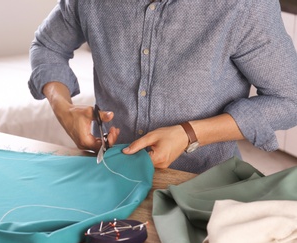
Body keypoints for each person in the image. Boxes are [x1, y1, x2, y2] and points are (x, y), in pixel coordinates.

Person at [28, 0, 297, 174]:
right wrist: (64, 109)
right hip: (109, 173)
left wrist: (189, 134)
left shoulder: (243, 6)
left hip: (201, 184)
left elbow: (290, 99)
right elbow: (48, 46)